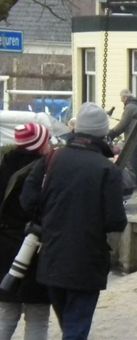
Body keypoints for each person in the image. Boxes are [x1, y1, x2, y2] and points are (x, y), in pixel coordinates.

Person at [20, 103, 127, 340]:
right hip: (87, 261)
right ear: (101, 133)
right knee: (76, 327)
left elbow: (27, 200)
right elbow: (116, 220)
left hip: (52, 257)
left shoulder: (51, 161)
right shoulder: (106, 170)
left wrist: (48, 218)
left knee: (70, 324)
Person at [0, 123, 53, 340]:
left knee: (6, 314)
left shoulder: (4, 166)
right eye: (47, 140)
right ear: (39, 145)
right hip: (34, 249)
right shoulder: (43, 172)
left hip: (4, 250)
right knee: (38, 316)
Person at [108, 89, 137, 190]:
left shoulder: (130, 107)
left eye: (122, 99)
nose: (122, 101)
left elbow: (123, 124)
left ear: (125, 97)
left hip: (136, 138)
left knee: (132, 160)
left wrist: (111, 134)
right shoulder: (136, 105)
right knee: (135, 160)